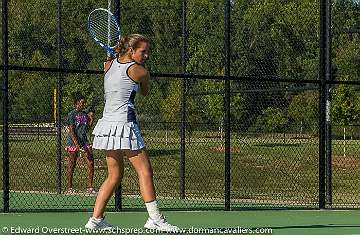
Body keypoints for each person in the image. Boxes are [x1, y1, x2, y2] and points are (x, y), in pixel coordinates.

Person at [85, 34, 179, 233]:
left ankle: (95, 219)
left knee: (114, 175)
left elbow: (118, 74)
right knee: (145, 171)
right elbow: (145, 92)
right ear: (131, 50)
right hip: (124, 125)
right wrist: (147, 76)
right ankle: (155, 218)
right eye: (143, 51)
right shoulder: (140, 71)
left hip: (108, 126)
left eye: (147, 52)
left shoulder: (107, 65)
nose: (147, 55)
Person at [65, 92, 97, 195]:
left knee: (91, 162)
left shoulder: (85, 114)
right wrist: (76, 144)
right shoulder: (71, 114)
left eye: (84, 103)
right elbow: (71, 130)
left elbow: (87, 129)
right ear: (76, 103)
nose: (84, 105)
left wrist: (91, 119)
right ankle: (69, 188)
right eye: (82, 103)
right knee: (72, 164)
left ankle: (90, 188)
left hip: (84, 141)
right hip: (73, 142)